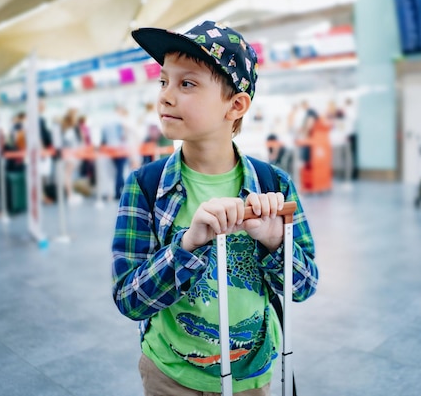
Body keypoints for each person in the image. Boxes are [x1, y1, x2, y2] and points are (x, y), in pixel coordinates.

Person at [112, 20, 318, 396]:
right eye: (164, 81)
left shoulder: (275, 185)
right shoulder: (145, 186)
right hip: (169, 375)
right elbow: (129, 299)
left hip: (251, 377)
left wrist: (275, 240)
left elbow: (304, 287)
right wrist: (187, 247)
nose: (165, 96)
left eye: (186, 83)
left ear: (235, 105)